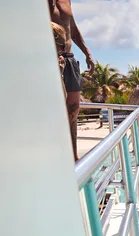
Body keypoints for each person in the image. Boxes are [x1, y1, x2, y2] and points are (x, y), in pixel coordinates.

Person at [48, 0, 95, 161]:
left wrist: (87, 52)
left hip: (70, 59)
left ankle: (73, 156)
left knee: (72, 111)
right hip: (51, 58)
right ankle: (56, 157)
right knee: (53, 111)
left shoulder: (66, 1)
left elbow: (72, 29)